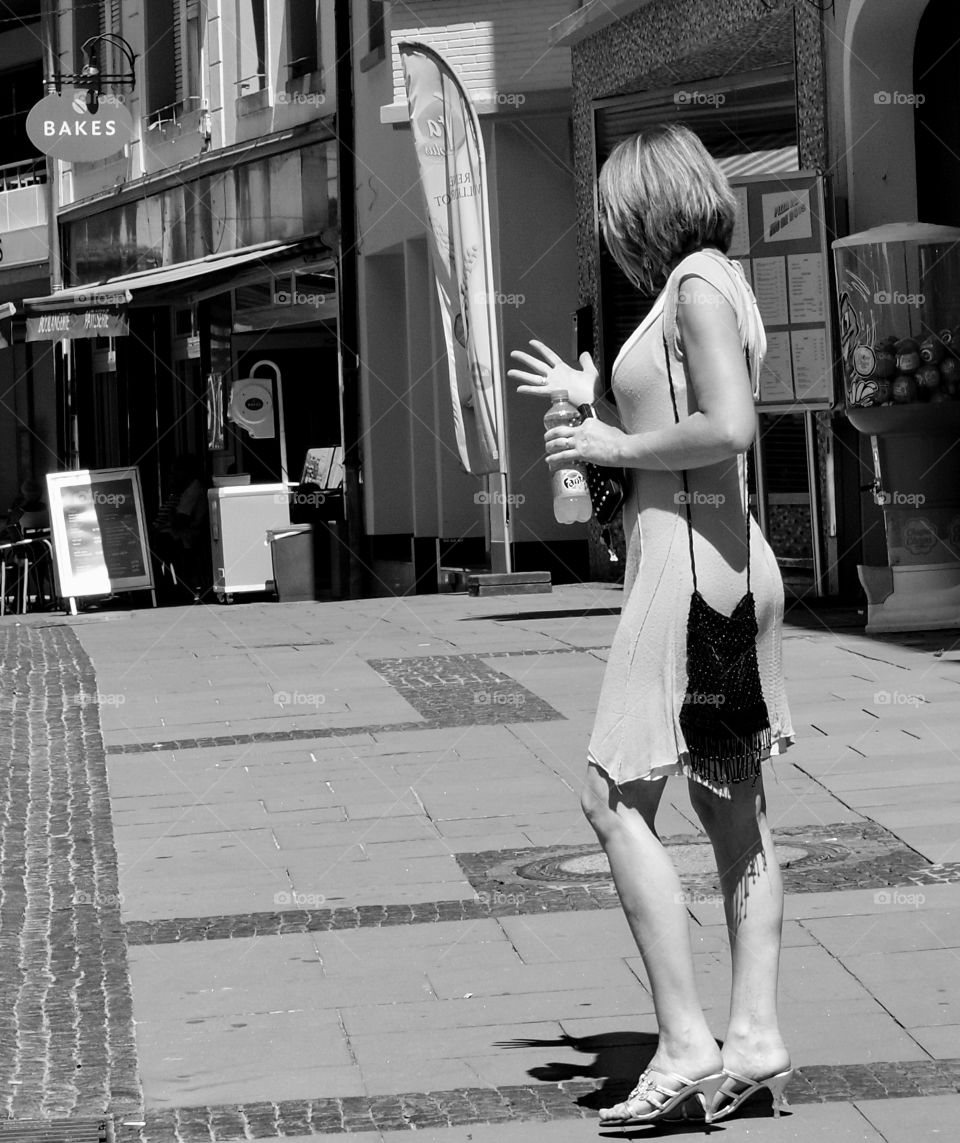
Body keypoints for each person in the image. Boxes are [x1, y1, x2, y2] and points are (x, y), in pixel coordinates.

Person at [508, 123, 796, 1126]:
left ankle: (683, 1044)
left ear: (643, 209)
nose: (611, 237)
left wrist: (610, 441)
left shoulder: (697, 287)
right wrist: (593, 411)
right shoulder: (710, 282)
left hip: (686, 579)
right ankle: (752, 1039)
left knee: (610, 796)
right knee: (731, 808)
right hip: (717, 566)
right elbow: (679, 431)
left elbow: (728, 427)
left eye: (614, 217)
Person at [151, 455, 209, 598]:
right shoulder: (183, 490)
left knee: (160, 546)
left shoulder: (193, 490)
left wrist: (170, 518)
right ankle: (168, 585)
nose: (173, 476)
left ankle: (168, 586)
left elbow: (181, 521)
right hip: (177, 532)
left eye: (176, 472)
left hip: (185, 534)